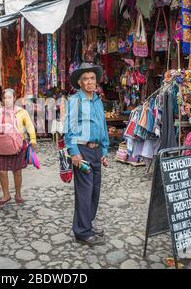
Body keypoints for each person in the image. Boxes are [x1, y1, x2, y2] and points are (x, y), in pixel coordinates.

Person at [64, 63, 110, 246]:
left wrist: (104, 150)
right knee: (84, 191)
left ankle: (87, 224)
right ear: (80, 83)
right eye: (86, 79)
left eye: (92, 78)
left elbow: (103, 126)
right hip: (82, 150)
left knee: (94, 191)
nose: (90, 81)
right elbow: (69, 129)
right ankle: (82, 232)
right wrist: (74, 153)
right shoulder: (76, 101)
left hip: (96, 150)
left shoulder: (98, 100)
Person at [0, 88, 37, 205]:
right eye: (5, 97)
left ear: (14, 98)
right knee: (2, 171)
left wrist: (33, 139)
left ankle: (18, 194)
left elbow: (29, 126)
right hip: (1, 145)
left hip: (18, 145)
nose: (7, 100)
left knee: (17, 171)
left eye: (10, 97)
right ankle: (6, 194)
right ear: (2, 99)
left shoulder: (22, 112)